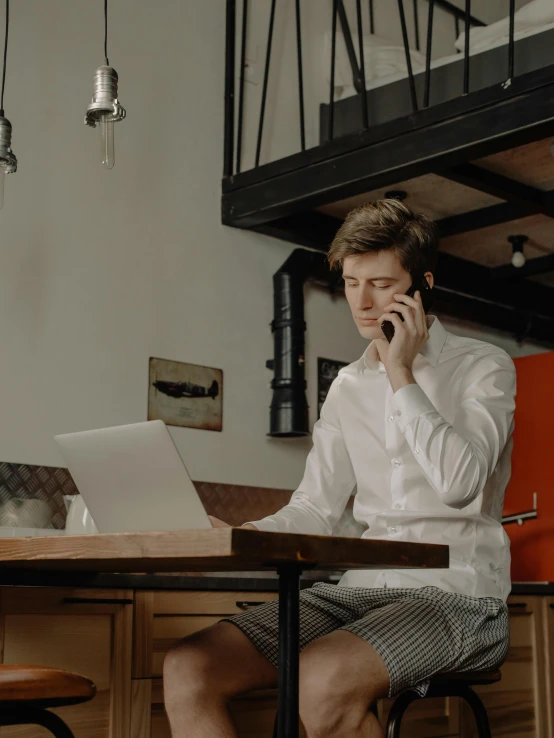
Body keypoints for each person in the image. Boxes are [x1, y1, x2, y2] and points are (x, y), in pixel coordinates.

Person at [163, 199, 516, 738]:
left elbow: (460, 485)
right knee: (191, 666)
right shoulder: (347, 386)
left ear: (422, 284)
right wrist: (246, 533)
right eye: (352, 282)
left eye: (380, 283)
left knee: (322, 675)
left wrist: (401, 373)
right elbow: (314, 507)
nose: (363, 301)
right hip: (358, 590)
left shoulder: (484, 367)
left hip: (459, 595)